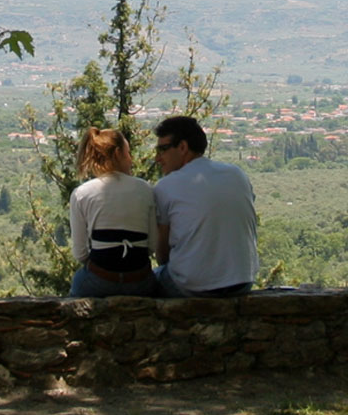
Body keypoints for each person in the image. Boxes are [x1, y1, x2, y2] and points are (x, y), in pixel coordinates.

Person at [152, 115, 258, 298]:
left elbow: (162, 253)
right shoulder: (237, 174)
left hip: (192, 286)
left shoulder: (166, 186)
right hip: (242, 282)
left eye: (163, 149)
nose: (158, 158)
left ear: (183, 147)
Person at [67, 127, 159, 298]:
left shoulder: (81, 194)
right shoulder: (145, 189)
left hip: (99, 281)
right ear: (118, 153)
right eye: (128, 153)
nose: (131, 159)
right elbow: (152, 245)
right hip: (140, 282)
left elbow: (80, 253)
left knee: (77, 284)